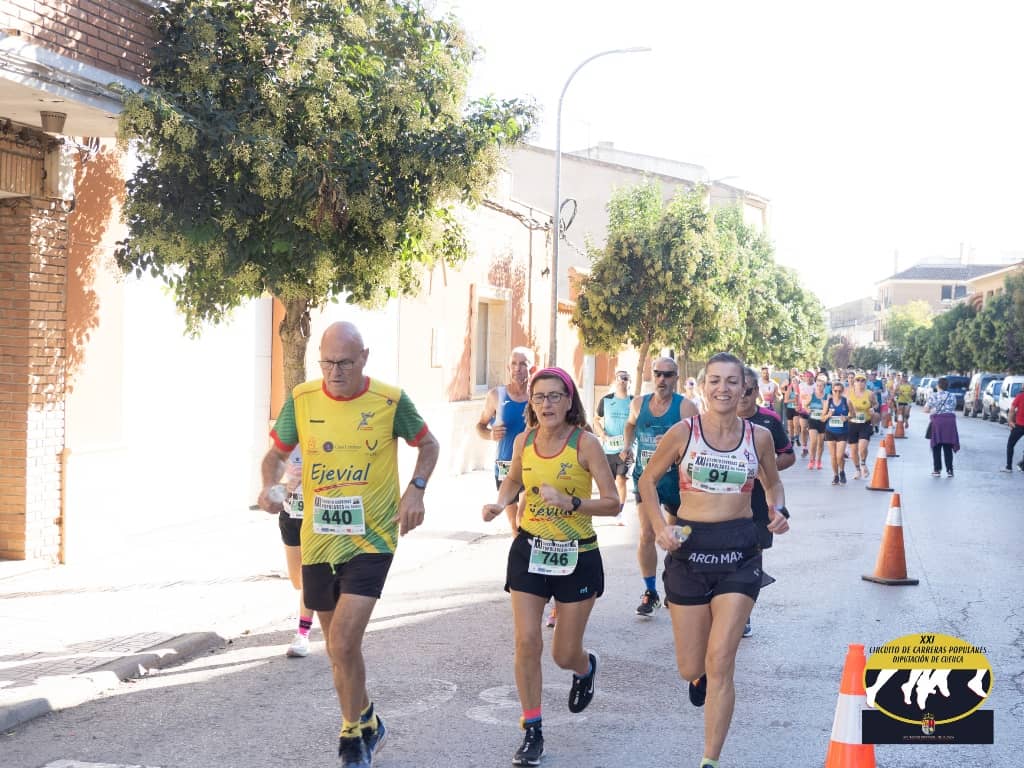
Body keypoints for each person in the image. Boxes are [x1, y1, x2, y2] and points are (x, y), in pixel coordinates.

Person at [257, 321, 440, 768]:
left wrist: (415, 490)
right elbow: (275, 455)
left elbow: (428, 444)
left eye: (344, 363)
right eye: (327, 363)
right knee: (339, 649)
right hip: (319, 540)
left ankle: (352, 736)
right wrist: (270, 486)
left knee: (341, 641)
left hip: (372, 538)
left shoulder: (390, 401)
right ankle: (369, 719)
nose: (335, 372)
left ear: (364, 358)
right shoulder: (302, 399)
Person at [638, 352, 790, 768]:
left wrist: (778, 510)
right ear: (703, 387)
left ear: (745, 389)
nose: (723, 388)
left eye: (732, 381)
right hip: (689, 547)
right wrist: (659, 527)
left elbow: (773, 483)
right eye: (715, 380)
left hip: (740, 550)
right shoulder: (683, 432)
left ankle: (710, 760)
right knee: (692, 666)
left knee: (721, 660)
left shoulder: (759, 437)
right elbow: (647, 480)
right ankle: (699, 675)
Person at [482, 367, 619, 766]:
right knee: (527, 641)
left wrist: (572, 503)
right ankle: (532, 729)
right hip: (530, 550)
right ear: (532, 403)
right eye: (539, 397)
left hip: (577, 554)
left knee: (564, 654)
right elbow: (513, 480)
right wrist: (500, 503)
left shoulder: (586, 444)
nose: (547, 404)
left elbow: (613, 503)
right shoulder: (523, 440)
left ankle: (585, 667)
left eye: (555, 396)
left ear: (569, 400)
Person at [621, 357, 698, 618]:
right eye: (658, 374)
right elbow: (630, 425)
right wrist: (627, 446)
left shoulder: (686, 407)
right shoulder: (638, 404)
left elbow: (698, 441)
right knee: (646, 534)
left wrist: (678, 449)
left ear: (676, 378)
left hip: (676, 482)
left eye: (668, 375)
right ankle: (650, 591)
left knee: (676, 538)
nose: (662, 379)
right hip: (646, 480)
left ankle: (672, 582)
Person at [736, 366, 795, 637]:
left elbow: (788, 455)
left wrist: (764, 469)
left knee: (752, 559)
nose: (742, 397)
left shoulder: (768, 421)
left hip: (760, 503)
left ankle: (744, 613)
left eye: (748, 392)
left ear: (756, 392)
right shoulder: (717, 421)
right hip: (725, 503)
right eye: (738, 390)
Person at [477, 348, 535, 534]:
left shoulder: (538, 398)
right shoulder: (496, 395)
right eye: (514, 364)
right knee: (514, 527)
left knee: (523, 518)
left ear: (532, 368)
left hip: (531, 465)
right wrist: (491, 435)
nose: (518, 368)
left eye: (523, 364)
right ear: (508, 368)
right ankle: (519, 546)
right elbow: (480, 426)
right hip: (505, 466)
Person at [276, 446, 317, 657]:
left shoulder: (328, 435)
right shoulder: (285, 440)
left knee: (309, 577)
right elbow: (272, 481)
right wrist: (284, 486)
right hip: (291, 514)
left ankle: (302, 634)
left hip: (318, 516)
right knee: (297, 581)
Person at [594, 370, 634, 520]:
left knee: (621, 480)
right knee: (609, 483)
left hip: (626, 449)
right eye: (619, 377)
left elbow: (638, 424)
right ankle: (611, 506)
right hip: (609, 449)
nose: (622, 380)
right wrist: (602, 434)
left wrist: (629, 446)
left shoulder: (634, 402)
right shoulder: (606, 400)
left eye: (625, 378)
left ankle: (619, 512)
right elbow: (596, 419)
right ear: (615, 380)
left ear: (629, 382)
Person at [923, 377, 959, 478]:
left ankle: (937, 470)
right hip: (950, 422)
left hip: (938, 422)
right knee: (948, 446)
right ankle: (950, 470)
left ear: (938, 385)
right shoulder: (952, 396)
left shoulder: (933, 396)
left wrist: (933, 410)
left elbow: (926, 409)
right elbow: (953, 407)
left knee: (936, 445)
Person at [846, 373, 878, 479]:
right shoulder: (849, 393)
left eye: (862, 380)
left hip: (865, 423)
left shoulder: (869, 394)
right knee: (853, 450)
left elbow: (876, 404)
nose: (860, 382)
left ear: (865, 382)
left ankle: (863, 463)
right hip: (852, 423)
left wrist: (873, 408)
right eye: (858, 380)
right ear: (854, 382)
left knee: (862, 447)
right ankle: (857, 470)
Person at [822, 381, 851, 485]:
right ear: (832, 391)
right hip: (830, 431)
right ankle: (835, 475)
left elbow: (853, 414)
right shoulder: (828, 402)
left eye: (839, 391)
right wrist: (828, 415)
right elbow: (822, 418)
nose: (837, 393)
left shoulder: (846, 401)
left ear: (842, 391)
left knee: (839, 456)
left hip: (843, 432)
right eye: (835, 391)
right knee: (833, 456)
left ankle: (842, 471)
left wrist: (846, 417)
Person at [805, 374, 828, 470]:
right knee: (813, 441)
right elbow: (805, 405)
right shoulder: (812, 395)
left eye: (821, 386)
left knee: (820, 443)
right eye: (817, 385)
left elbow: (828, 409)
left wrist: (824, 406)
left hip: (822, 421)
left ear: (824, 386)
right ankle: (812, 460)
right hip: (813, 420)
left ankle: (819, 461)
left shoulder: (827, 396)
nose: (819, 387)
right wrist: (808, 410)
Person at [1002, 385, 1024, 472]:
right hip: (1019, 425)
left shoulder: (1020, 396)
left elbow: (1012, 410)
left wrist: (1010, 421)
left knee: (1010, 445)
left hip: (1019, 426)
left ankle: (1009, 467)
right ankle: (1022, 465)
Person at [796, 370, 815, 457]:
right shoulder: (801, 385)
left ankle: (813, 448)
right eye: (806, 376)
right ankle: (804, 448)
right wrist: (797, 405)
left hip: (813, 411)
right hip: (803, 410)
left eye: (810, 377)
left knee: (812, 430)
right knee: (803, 428)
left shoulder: (816, 386)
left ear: (813, 377)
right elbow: (798, 396)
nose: (808, 378)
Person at [782, 368, 800, 446]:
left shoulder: (800, 389)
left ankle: (797, 438)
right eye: (793, 381)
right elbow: (786, 400)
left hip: (797, 408)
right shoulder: (789, 389)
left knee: (796, 424)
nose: (794, 383)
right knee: (791, 425)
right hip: (790, 408)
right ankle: (792, 439)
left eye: (796, 381)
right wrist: (794, 400)